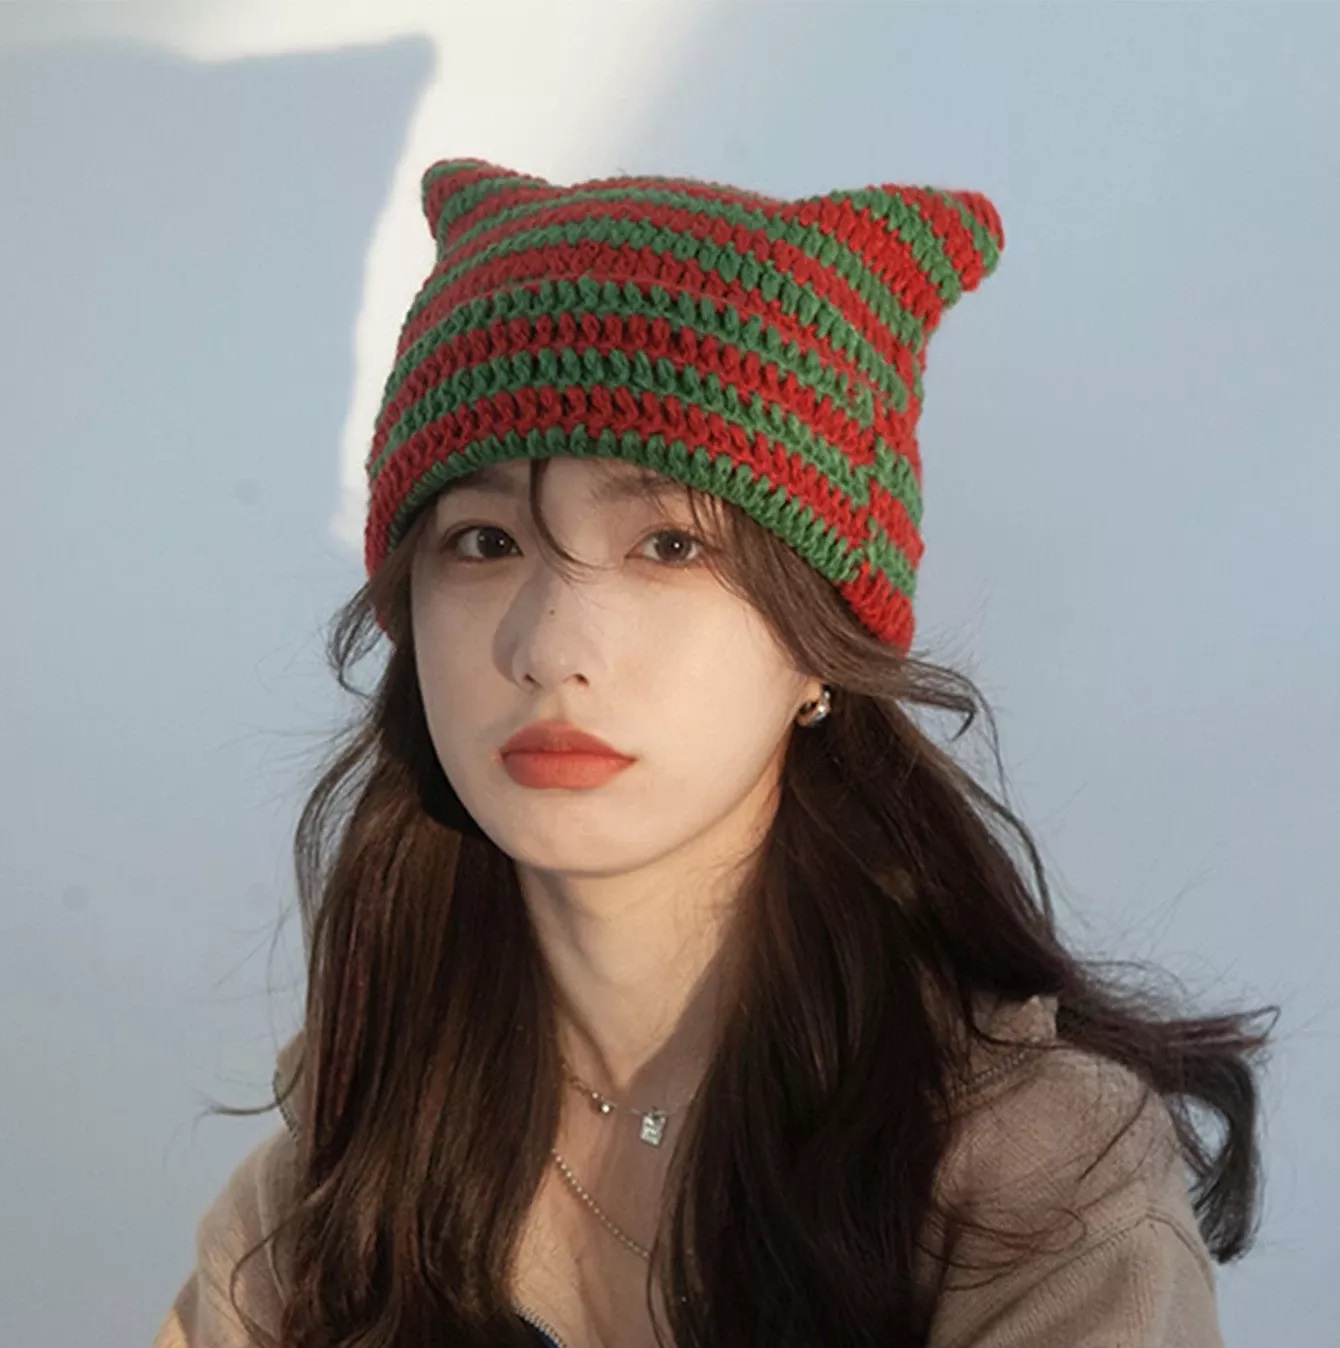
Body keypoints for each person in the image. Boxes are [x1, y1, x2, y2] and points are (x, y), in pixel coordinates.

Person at [154, 157, 1275, 1348]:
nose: (548, 647)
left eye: (668, 547)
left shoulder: (1029, 1185)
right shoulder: (333, 1190)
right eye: (482, 542)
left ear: (818, 647)